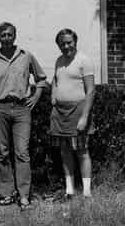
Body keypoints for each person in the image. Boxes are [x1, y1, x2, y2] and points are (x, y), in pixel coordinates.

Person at [0, 22, 47, 210]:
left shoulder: (26, 57)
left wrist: (36, 96)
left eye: (9, 35)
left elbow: (41, 79)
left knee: (22, 152)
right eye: (3, 35)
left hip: (22, 109)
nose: (6, 38)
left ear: (14, 36)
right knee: (2, 152)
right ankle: (5, 194)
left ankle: (24, 195)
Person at [50, 28, 95, 200]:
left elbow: (91, 91)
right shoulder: (59, 60)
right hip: (60, 113)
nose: (66, 46)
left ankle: (86, 192)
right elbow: (55, 79)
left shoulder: (84, 60)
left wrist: (84, 117)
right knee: (65, 151)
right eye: (62, 43)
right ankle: (69, 190)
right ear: (59, 45)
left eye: (69, 42)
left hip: (78, 111)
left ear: (75, 42)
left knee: (82, 151)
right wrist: (53, 94)